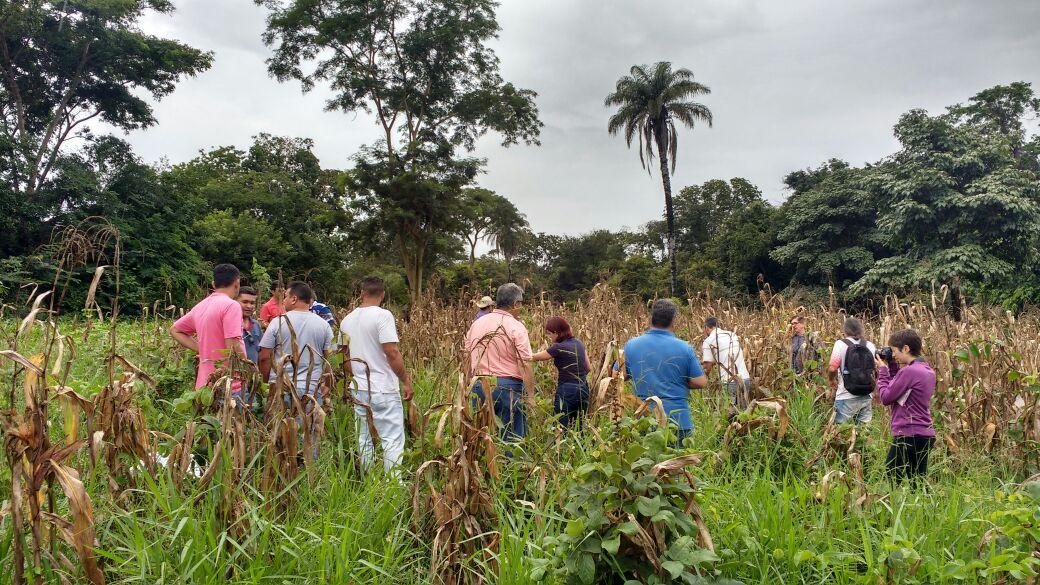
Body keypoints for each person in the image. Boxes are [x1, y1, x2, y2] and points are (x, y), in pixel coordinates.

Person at [340, 277, 413, 472]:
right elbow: (391, 351)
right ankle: (393, 486)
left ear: (361, 293)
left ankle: (369, 479)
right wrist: (405, 380)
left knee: (363, 437)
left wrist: (357, 375)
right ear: (382, 295)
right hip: (383, 388)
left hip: (359, 388)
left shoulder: (347, 319)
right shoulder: (383, 315)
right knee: (391, 439)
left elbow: (344, 357)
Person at [622, 299, 707, 444]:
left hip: (644, 420)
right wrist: (680, 381)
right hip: (678, 420)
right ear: (673, 320)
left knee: (646, 464)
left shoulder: (631, 345)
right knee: (678, 464)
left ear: (651, 318)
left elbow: (616, 377)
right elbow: (701, 382)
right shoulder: (684, 347)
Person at [464, 283, 535, 442]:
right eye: (521, 304)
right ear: (516, 304)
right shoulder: (516, 326)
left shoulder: (477, 324)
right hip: (507, 388)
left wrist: (468, 384)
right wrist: (531, 396)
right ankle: (510, 466)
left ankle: (484, 466)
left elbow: (467, 357)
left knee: (481, 438)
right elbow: (525, 363)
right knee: (511, 440)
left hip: (478, 385)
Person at [170, 264, 247, 395]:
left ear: (213, 284)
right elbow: (233, 344)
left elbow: (174, 330)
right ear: (237, 283)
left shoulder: (200, 306)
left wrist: (203, 348)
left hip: (204, 386)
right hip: (228, 384)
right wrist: (247, 366)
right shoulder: (231, 305)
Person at [258, 281, 335, 406]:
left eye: (286, 297)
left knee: (279, 423)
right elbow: (329, 357)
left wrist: (267, 382)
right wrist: (327, 384)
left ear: (294, 299)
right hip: (311, 388)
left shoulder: (277, 322)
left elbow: (264, 357)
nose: (283, 301)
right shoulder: (324, 325)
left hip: (280, 386)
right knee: (309, 424)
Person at [875, 329, 936, 481]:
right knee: (918, 482)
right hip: (925, 434)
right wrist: (893, 367)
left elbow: (886, 397)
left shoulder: (909, 372)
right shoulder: (927, 370)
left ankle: (893, 505)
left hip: (908, 433)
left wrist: (882, 371)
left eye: (895, 351)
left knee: (891, 478)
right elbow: (900, 386)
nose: (893, 355)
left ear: (906, 349)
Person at [531, 316, 591, 426]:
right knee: (579, 427)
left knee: (560, 426)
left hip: (566, 390)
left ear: (557, 333)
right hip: (583, 388)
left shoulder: (558, 347)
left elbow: (534, 357)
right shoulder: (579, 343)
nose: (549, 337)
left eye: (549, 334)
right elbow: (588, 368)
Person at [828, 317, 877, 425]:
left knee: (839, 433)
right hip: (866, 395)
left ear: (845, 330)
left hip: (845, 395)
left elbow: (832, 368)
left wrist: (831, 380)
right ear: (861, 329)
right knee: (864, 433)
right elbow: (876, 370)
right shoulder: (870, 345)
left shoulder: (840, 344)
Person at [701, 317, 753, 410]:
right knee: (745, 414)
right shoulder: (732, 335)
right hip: (745, 379)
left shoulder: (708, 341)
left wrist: (703, 380)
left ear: (706, 328)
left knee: (731, 415)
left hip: (730, 382)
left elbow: (707, 366)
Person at [237, 286, 263, 364]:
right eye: (245, 302)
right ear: (235, 301)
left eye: (252, 303)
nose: (249, 306)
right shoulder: (230, 324)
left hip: (253, 373)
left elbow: (261, 351)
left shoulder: (256, 325)